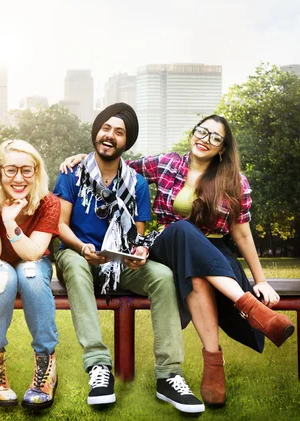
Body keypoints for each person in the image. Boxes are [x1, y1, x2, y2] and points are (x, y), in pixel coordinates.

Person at [60, 114, 295, 406]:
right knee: (182, 229)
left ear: (222, 148)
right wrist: (88, 156)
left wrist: (261, 280)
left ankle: (213, 366)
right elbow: (118, 164)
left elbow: (243, 236)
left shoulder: (235, 182)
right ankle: (253, 310)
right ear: (193, 133)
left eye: (215, 138)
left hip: (214, 253)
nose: (204, 139)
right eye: (202, 131)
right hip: (167, 243)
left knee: (195, 274)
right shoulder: (168, 163)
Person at [54, 103, 204, 414]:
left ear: (127, 141)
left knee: (162, 276)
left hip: (117, 264)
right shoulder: (72, 172)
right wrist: (82, 247)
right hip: (79, 256)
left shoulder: (135, 183)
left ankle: (169, 374)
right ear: (96, 132)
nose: (109, 135)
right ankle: (98, 367)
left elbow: (136, 235)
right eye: (105, 128)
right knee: (71, 260)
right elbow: (60, 225)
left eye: (119, 132)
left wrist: (138, 252)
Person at [0, 140, 60, 410]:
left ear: (36, 171)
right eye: (11, 170)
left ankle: (45, 365)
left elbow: (33, 253)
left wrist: (9, 222)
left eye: (27, 170)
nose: (19, 178)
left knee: (29, 273)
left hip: (29, 260)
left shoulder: (48, 202)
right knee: (2, 274)